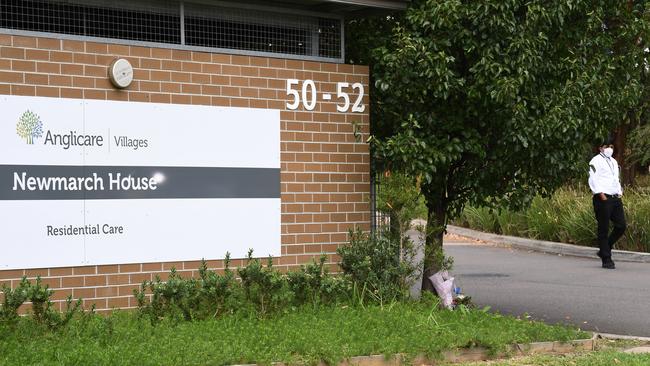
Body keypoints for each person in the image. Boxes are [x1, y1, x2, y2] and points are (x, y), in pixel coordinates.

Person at [588, 137, 626, 269]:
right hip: (602, 198)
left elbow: (615, 178)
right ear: (600, 148)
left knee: (621, 226)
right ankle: (606, 259)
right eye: (606, 146)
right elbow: (593, 178)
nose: (609, 149)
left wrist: (619, 191)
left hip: (615, 198)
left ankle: (605, 248)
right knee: (603, 228)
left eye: (611, 146)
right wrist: (601, 194)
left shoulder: (614, 162)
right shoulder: (595, 161)